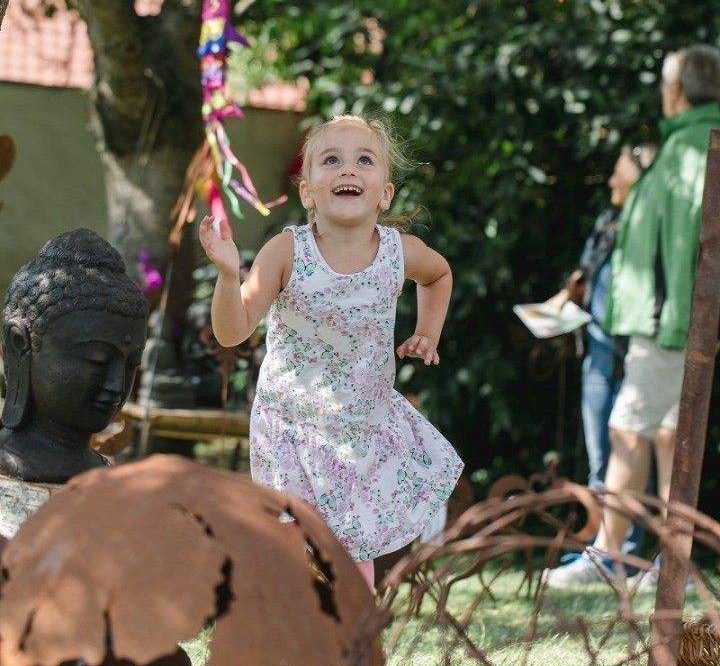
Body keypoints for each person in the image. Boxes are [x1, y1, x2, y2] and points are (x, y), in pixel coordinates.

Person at [199, 113, 463, 590]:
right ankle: (288, 639)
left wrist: (428, 332)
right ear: (307, 192)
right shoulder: (286, 252)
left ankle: (354, 639)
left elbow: (439, 274)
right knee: (290, 550)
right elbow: (232, 332)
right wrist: (226, 275)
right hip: (290, 427)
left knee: (351, 547)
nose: (348, 169)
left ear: (385, 193)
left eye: (364, 160)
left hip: (362, 428)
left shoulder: (398, 253)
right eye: (331, 160)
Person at [544, 45, 720, 588]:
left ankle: (609, 554)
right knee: (669, 435)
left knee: (627, 428)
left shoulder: (694, 146)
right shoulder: (691, 144)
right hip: (677, 319)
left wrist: (688, 319)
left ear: (676, 90)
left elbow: (700, 242)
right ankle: (676, 561)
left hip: (670, 321)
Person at [0, 228, 148, 484]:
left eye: (131, 364)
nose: (117, 385)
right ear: (20, 344)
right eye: (98, 360)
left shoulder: (104, 475)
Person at [550, 144, 657, 493]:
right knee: (600, 456)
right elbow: (585, 271)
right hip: (598, 353)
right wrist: (559, 304)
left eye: (619, 172)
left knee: (632, 451)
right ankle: (601, 541)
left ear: (642, 178)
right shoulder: (608, 220)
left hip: (635, 358)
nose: (611, 180)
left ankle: (634, 542)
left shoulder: (654, 227)